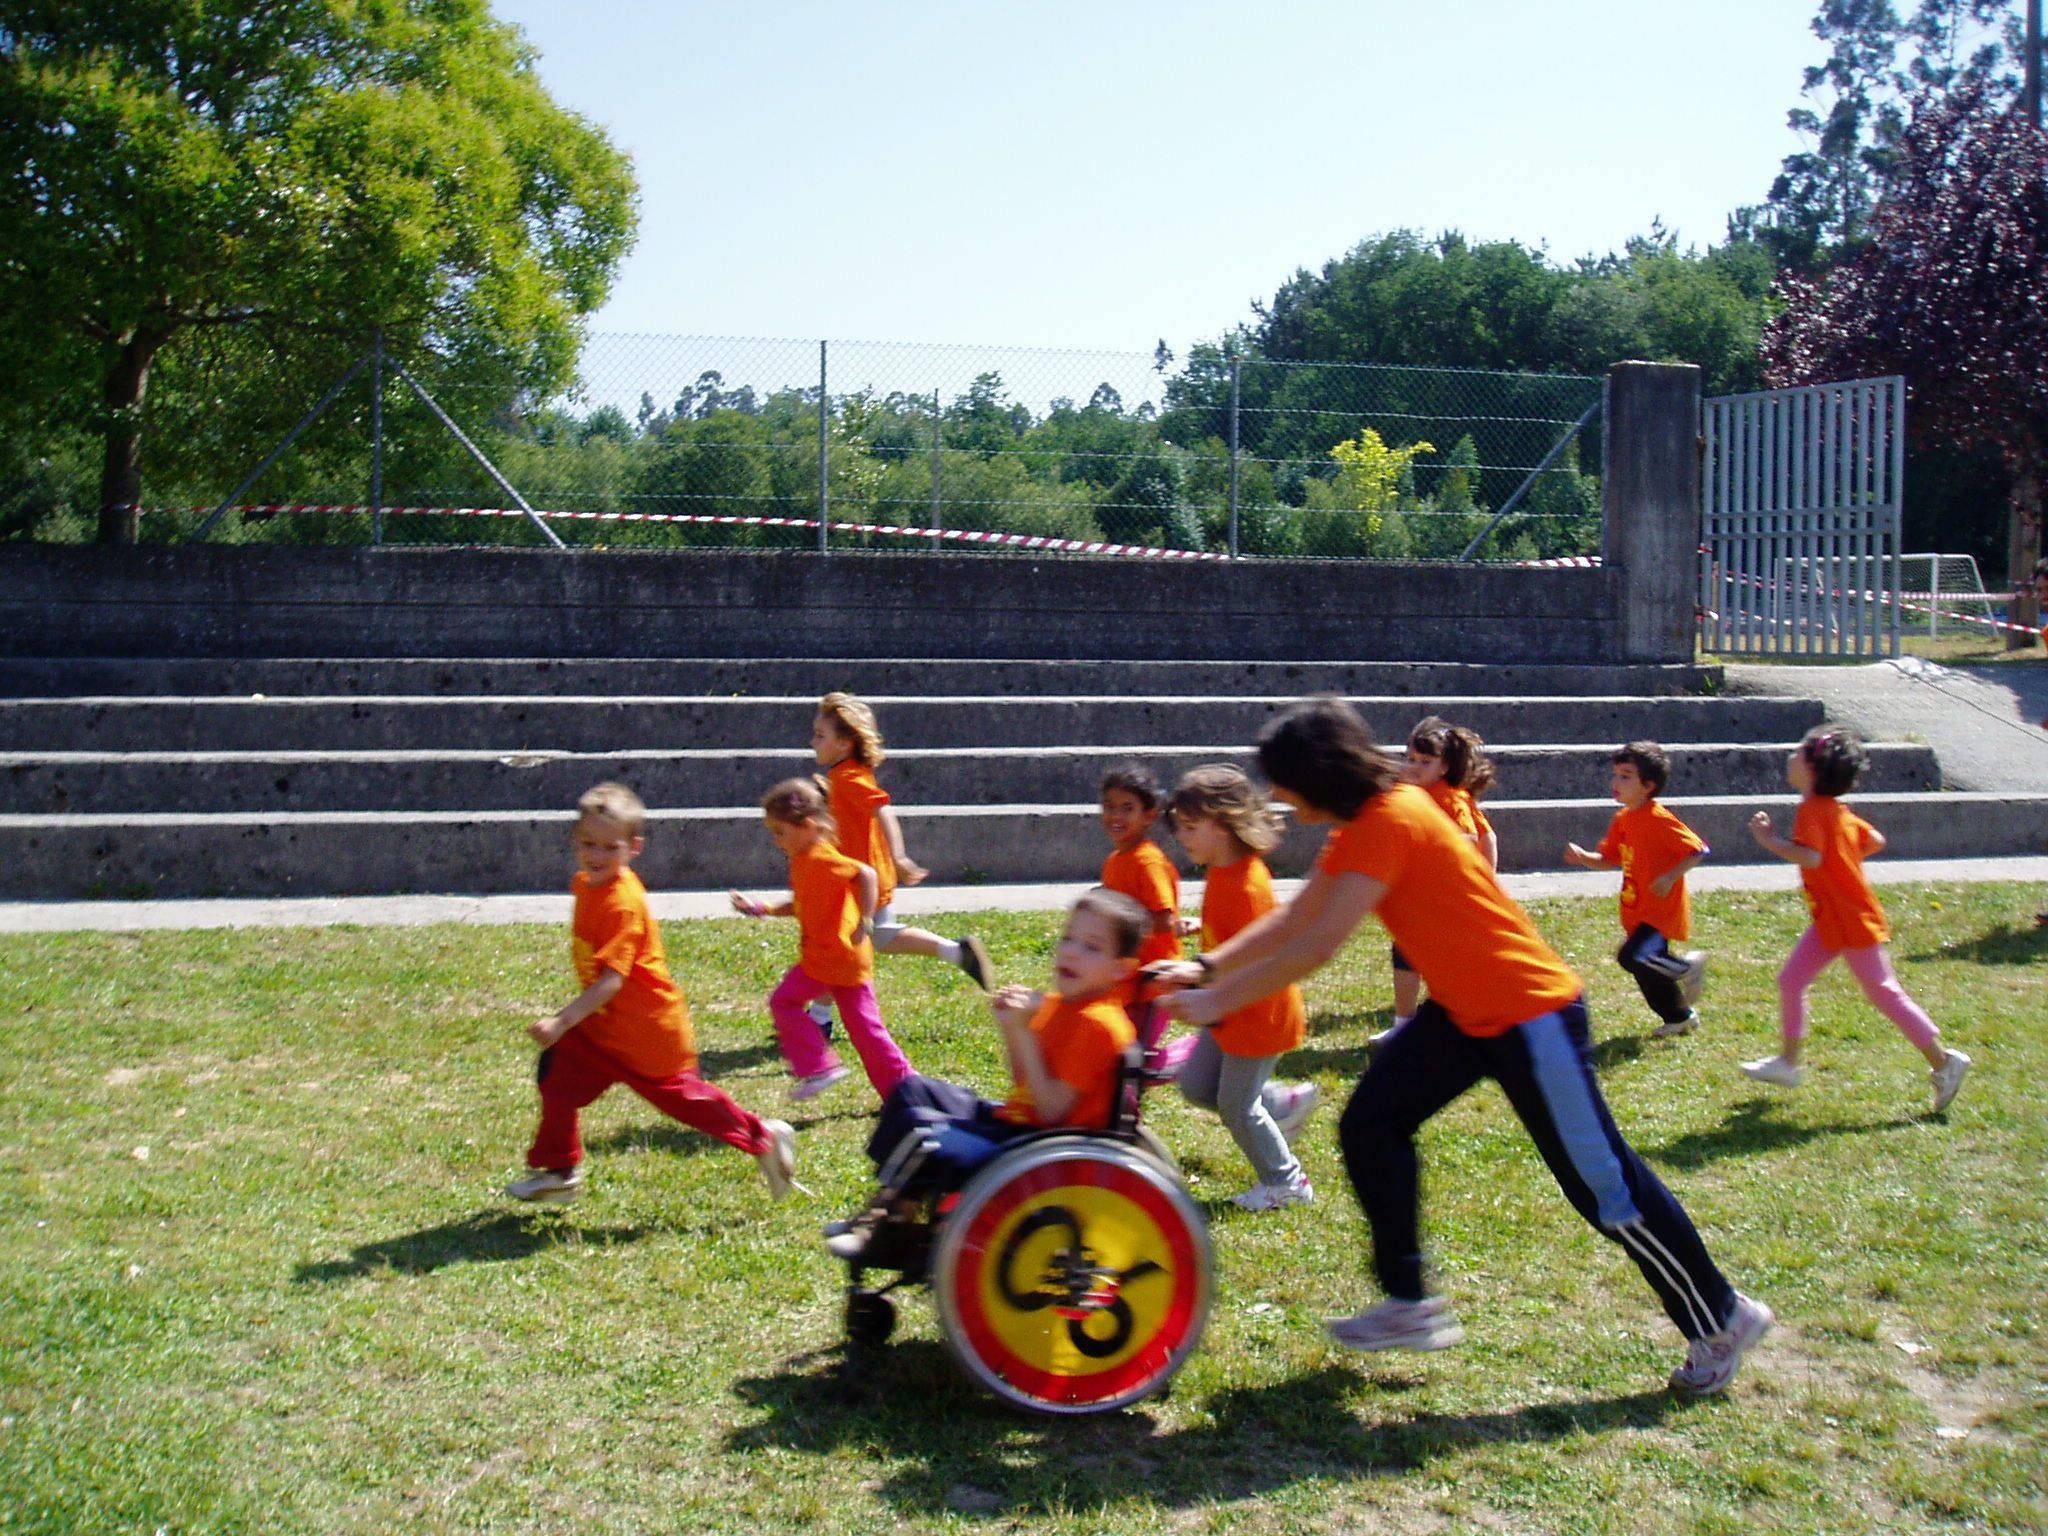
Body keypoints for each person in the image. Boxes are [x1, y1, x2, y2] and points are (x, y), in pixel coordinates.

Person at [1150, 698, 1772, 1396]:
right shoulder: (1361, 823)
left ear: (1317, 777)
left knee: (1604, 1187)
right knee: (1372, 1123)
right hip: (1466, 1013)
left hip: (1531, 1015)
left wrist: (1209, 1002)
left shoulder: (1390, 819)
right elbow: (1298, 915)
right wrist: (1205, 968)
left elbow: (1318, 945)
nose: (1279, 799)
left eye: (1285, 783)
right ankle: (1410, 1303)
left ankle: (1722, 1316)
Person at [510, 782, 795, 1205]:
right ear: (575, 841)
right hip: (604, 1029)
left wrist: (561, 1020)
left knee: (689, 1104)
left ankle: (765, 1137)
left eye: (610, 847)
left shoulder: (622, 903)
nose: (597, 855)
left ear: (634, 847)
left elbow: (612, 980)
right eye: (589, 843)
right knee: (558, 1077)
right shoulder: (585, 884)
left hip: (647, 1033)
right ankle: (559, 1171)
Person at [823, 889, 1145, 1261]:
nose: (1071, 951)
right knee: (911, 1091)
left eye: (1092, 946)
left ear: (1121, 969)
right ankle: (898, 1210)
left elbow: (1054, 1111)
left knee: (922, 1129)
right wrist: (1013, 1028)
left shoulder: (1099, 1023)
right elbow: (1026, 1085)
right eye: (1068, 938)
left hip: (1046, 1151)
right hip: (1017, 1125)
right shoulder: (1064, 1006)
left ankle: (886, 1222)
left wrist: (1024, 1032)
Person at [1743, 726, 1970, 1111]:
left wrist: (1769, 841)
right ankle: (1788, 1062)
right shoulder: (1837, 812)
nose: (1791, 755)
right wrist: (1843, 862)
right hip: (1834, 918)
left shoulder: (1813, 810)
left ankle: (1945, 1062)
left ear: (1813, 770)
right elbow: (1874, 840)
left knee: (1884, 992)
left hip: (1849, 919)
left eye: (1799, 751)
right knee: (1792, 979)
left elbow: (1811, 856)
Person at [1165, 766, 1320, 1210]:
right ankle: (1281, 1105)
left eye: (1191, 827)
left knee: (1236, 1106)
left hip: (1257, 1015)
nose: (1182, 837)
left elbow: (1262, 960)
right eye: (1180, 826)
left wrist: (1201, 987)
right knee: (1197, 1086)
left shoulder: (1248, 884)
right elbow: (1232, 941)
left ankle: (1286, 1181)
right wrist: (1201, 936)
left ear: (1226, 823)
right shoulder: (1222, 868)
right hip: (1226, 1011)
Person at [802, 692, 993, 1039]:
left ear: (844, 744)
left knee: (837, 947)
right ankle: (956, 952)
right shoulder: (847, 774)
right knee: (881, 937)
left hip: (861, 881)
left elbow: (882, 809)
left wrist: (900, 855)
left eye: (819, 735)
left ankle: (818, 1019)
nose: (812, 740)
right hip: (868, 876)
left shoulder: (850, 779)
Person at [730, 777, 912, 1104]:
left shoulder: (822, 858)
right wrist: (762, 908)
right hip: (825, 960)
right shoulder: (803, 861)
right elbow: (802, 905)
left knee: (864, 1033)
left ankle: (896, 1088)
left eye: (780, 832)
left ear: (809, 826)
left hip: (840, 959)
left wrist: (867, 920)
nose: (776, 840)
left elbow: (867, 875)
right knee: (864, 1032)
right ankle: (902, 1091)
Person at [1564, 741, 1710, 1038]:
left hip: (1659, 911)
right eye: (1616, 774)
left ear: (1648, 785)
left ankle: (1685, 968)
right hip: (1636, 911)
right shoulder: (1624, 819)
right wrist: (1584, 858)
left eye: (1626, 776)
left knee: (1631, 957)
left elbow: (1698, 850)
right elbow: (1609, 858)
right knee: (1647, 973)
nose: (1616, 782)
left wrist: (1670, 877)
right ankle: (1679, 1016)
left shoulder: (1658, 818)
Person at [1381, 716, 1498, 1047]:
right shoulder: (1417, 793)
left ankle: (1470, 1020)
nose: (1414, 766)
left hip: (1452, 896)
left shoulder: (1448, 798)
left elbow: (1472, 840)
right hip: (1428, 895)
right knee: (1405, 949)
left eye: (1425, 762)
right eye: (1411, 759)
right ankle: (1404, 1024)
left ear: (1444, 767)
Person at [1097, 762, 1191, 1070]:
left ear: (1149, 815)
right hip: (1125, 979)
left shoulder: (1147, 861)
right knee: (1118, 1055)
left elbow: (1164, 919)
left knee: (1135, 1063)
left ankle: (1194, 1055)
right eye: (1109, 806)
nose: (1116, 816)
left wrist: (1119, 925)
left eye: (1127, 808)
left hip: (1153, 981)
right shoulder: (1116, 860)